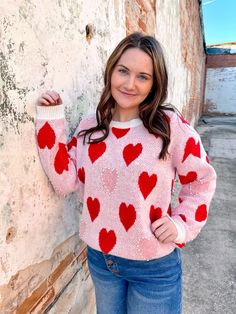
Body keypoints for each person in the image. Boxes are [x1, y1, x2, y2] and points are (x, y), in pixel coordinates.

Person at [35, 32, 217, 314]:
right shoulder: (90, 127)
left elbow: (202, 179)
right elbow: (64, 180)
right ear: (111, 71)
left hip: (153, 268)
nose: (130, 84)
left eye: (143, 76)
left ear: (155, 82)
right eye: (123, 71)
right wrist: (50, 119)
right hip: (101, 260)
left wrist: (182, 224)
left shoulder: (169, 127)